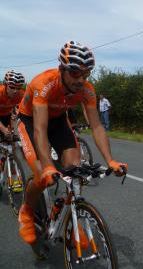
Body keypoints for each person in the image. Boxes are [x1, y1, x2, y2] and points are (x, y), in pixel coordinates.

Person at [16, 40, 128, 245]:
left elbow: (96, 126)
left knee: (75, 169)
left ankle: (72, 219)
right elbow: (40, 129)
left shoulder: (87, 90)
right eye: (75, 73)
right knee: (42, 174)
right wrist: (49, 166)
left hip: (58, 120)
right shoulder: (44, 83)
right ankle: (26, 211)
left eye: (86, 74)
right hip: (31, 121)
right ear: (62, 69)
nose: (81, 79)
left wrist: (110, 160)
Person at [0, 70, 25, 140]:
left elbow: (25, 109)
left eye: (18, 88)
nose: (15, 91)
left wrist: (18, 113)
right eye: (12, 87)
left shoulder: (21, 94)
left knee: (8, 137)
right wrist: (3, 129)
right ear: (5, 85)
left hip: (6, 115)